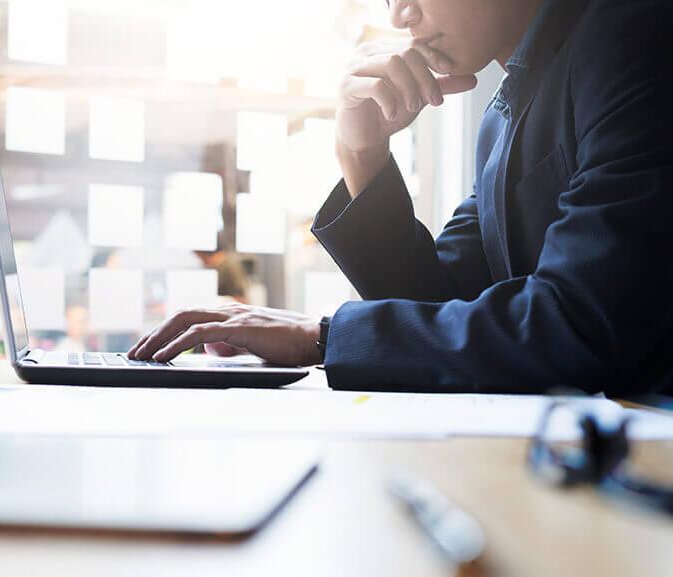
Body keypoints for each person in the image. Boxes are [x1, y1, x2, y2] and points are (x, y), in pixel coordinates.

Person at [130, 0, 673, 396]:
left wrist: (321, 337)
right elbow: (435, 305)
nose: (400, 15)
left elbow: (581, 325)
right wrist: (360, 153)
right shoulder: (503, 116)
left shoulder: (629, 35)